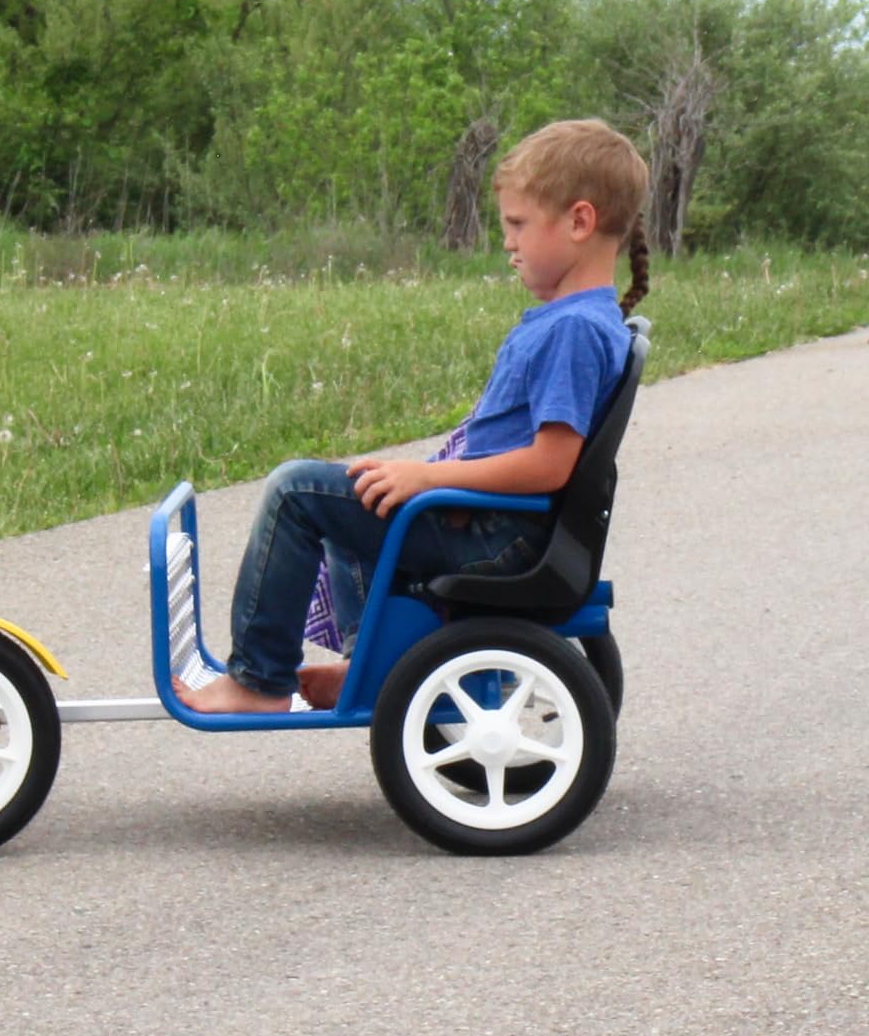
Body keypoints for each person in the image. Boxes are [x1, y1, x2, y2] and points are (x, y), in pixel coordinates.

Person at [178, 118, 650, 714]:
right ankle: (371, 666)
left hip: (498, 536)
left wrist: (428, 477)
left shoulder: (574, 330)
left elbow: (550, 465)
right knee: (365, 493)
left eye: (517, 224)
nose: (508, 243)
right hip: (500, 525)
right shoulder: (582, 320)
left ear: (579, 222)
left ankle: (257, 681)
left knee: (296, 491)